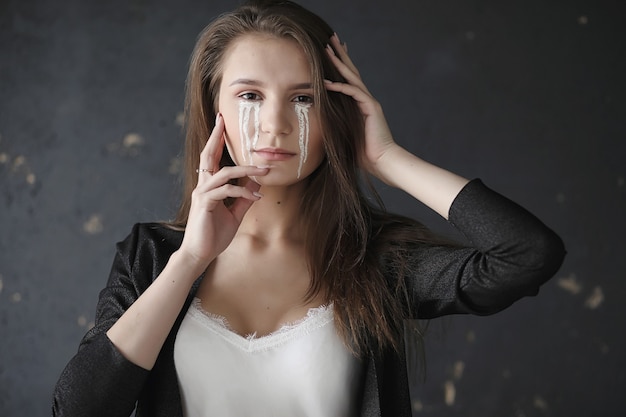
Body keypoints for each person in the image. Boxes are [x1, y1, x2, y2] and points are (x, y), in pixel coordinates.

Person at [52, 1, 565, 416]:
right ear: (215, 111)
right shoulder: (154, 253)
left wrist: (387, 158)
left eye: (304, 99)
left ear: (335, 111)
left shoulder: (373, 258)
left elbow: (526, 255)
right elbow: (79, 408)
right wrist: (189, 259)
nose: (275, 125)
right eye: (250, 95)